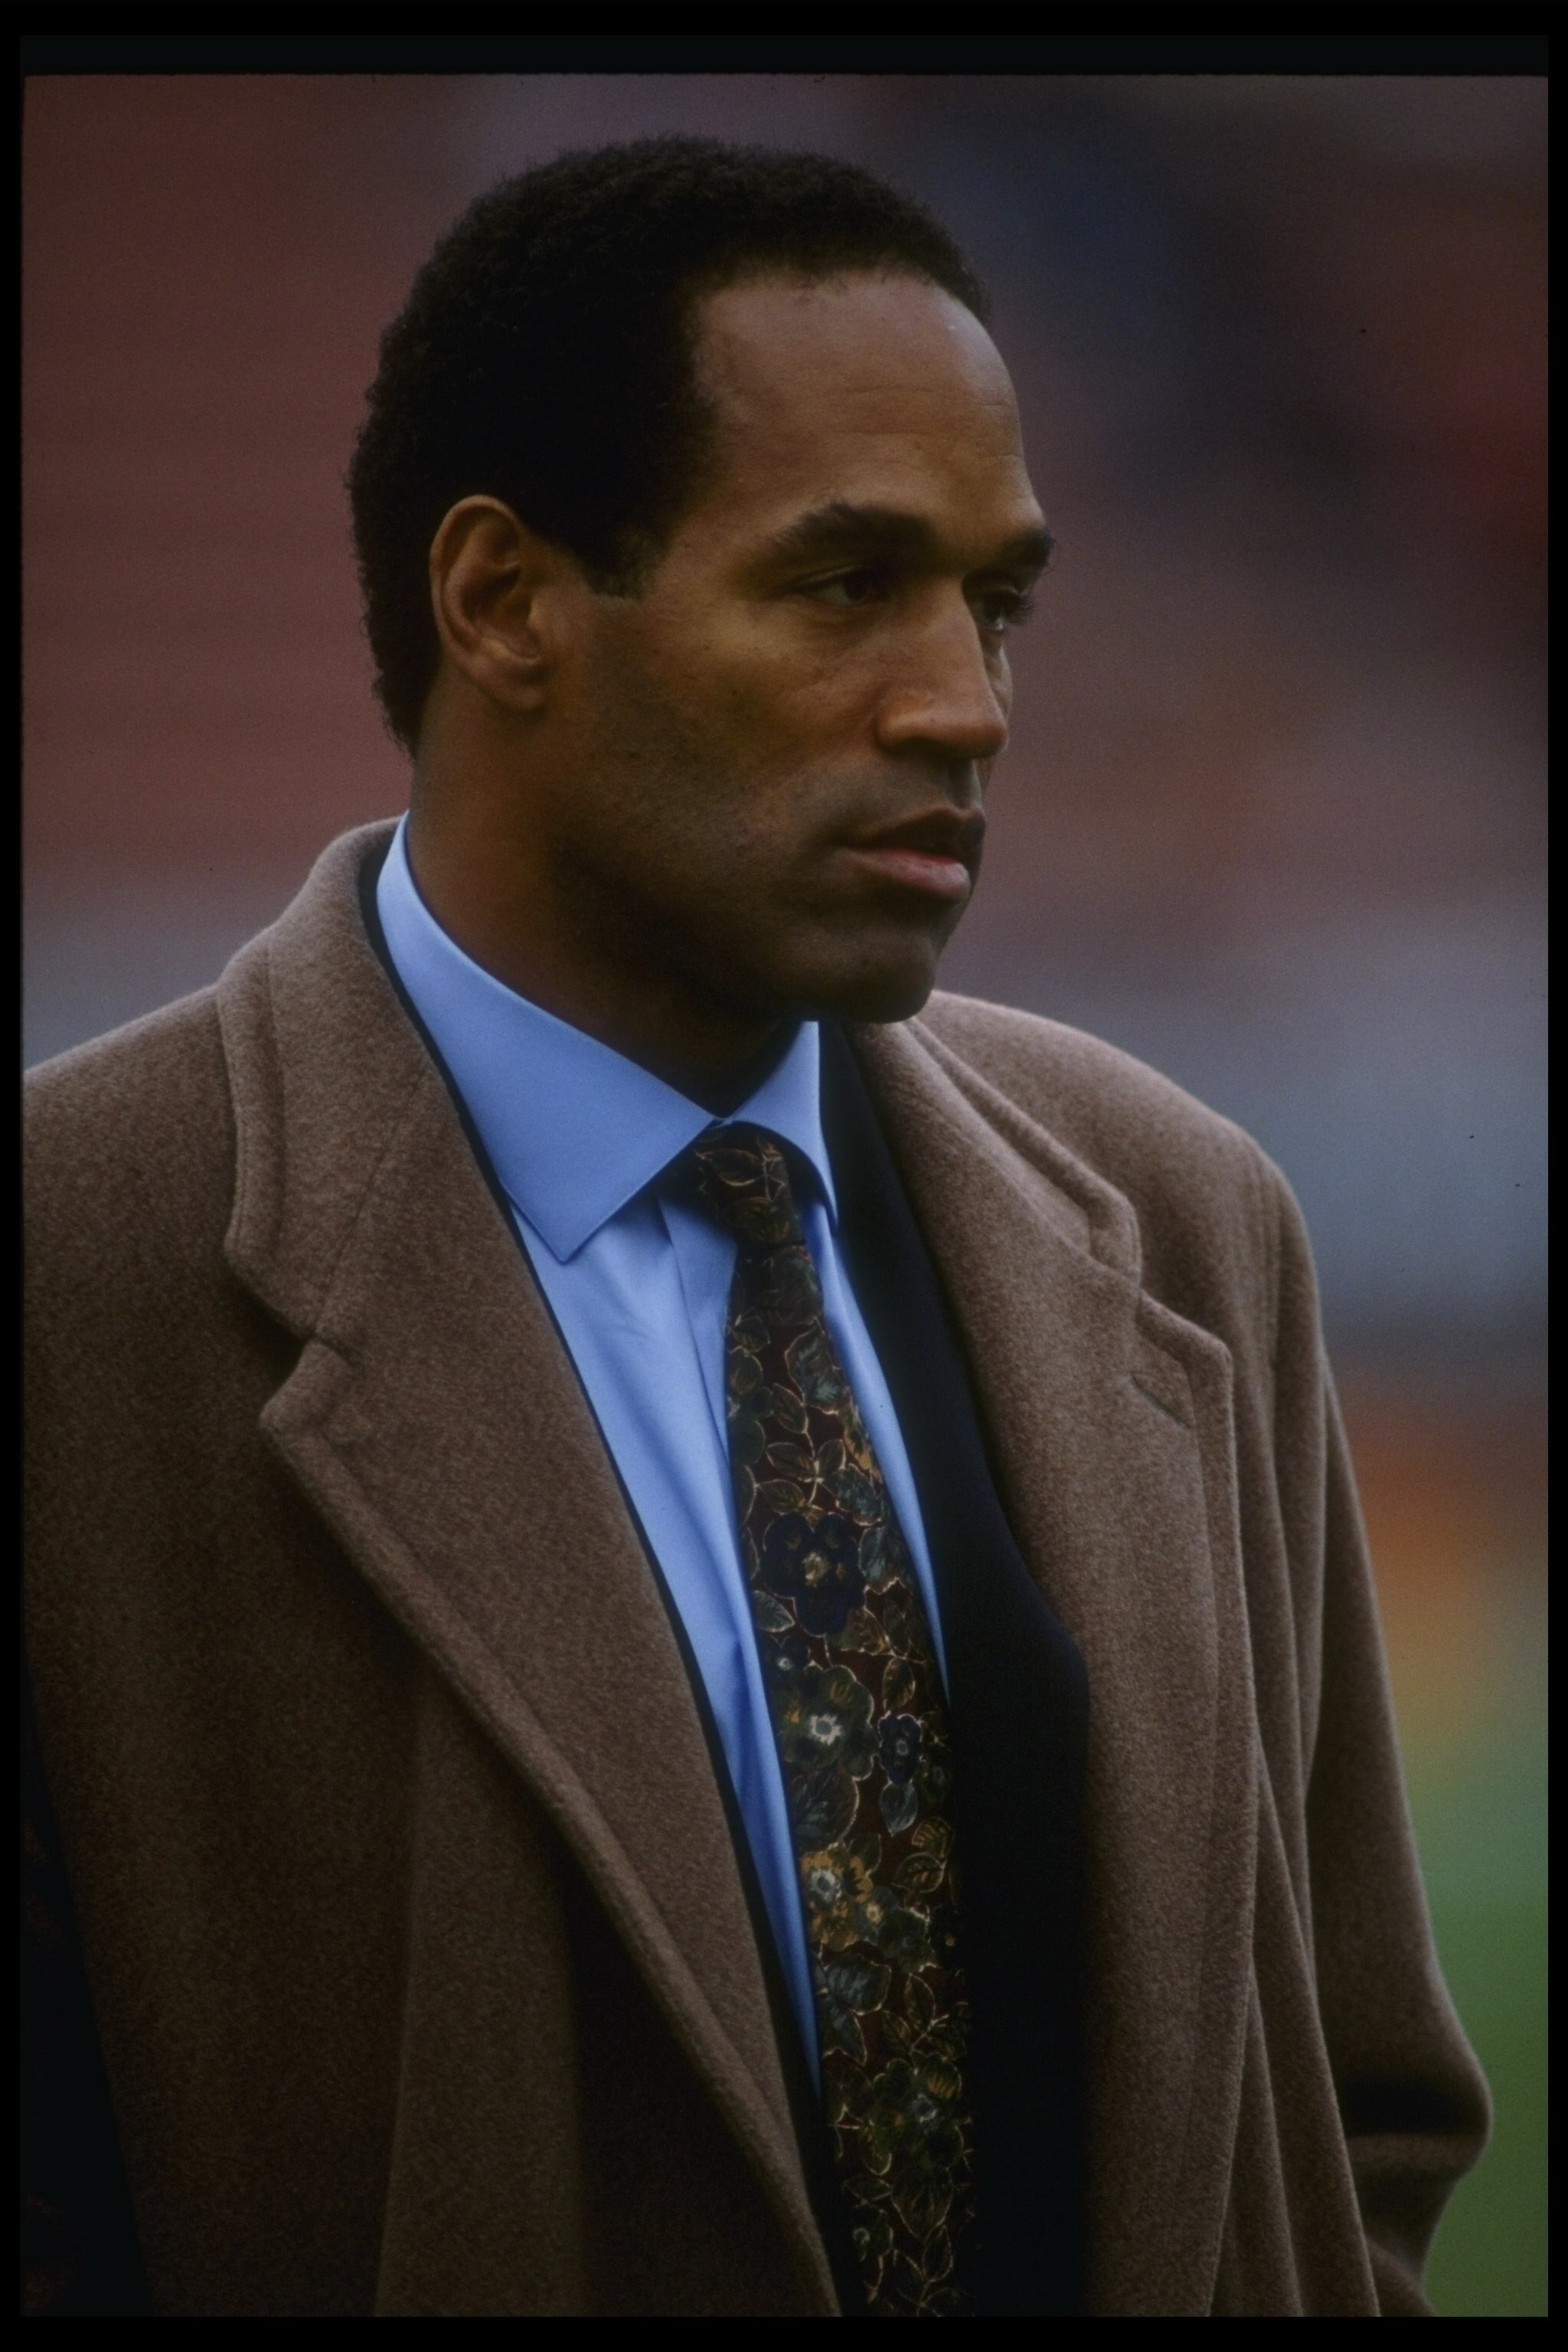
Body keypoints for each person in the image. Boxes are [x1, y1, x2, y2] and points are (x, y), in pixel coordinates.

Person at [23, 137, 1488, 2319]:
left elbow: (1351, 2116)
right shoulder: (81, 1270)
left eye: (996, 604)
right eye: (843, 585)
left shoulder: (1183, 1220)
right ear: (503, 600)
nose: (966, 705)